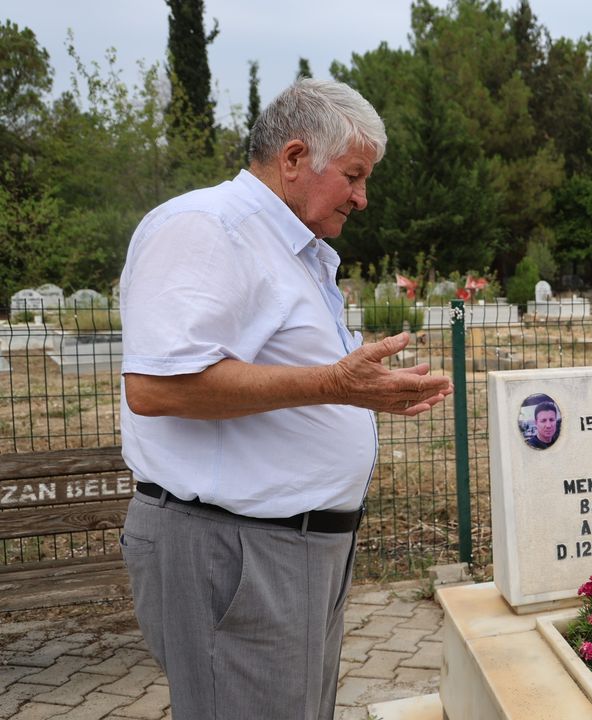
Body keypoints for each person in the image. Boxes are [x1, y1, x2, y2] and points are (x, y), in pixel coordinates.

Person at [117, 79, 453, 720]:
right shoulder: (209, 228)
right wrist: (334, 385)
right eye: (354, 175)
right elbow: (156, 387)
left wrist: (358, 389)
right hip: (234, 549)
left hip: (285, 548)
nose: (362, 196)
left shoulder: (290, 247)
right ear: (294, 158)